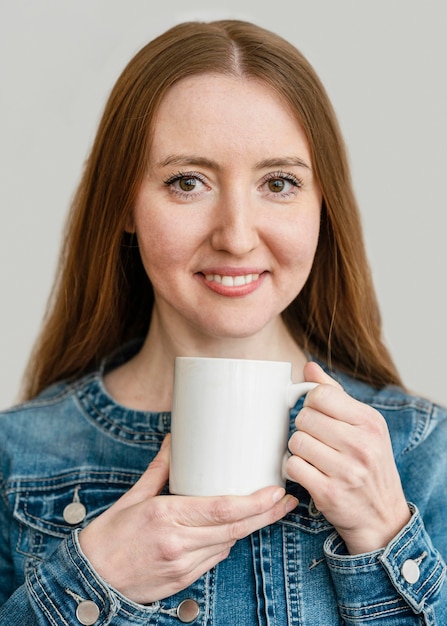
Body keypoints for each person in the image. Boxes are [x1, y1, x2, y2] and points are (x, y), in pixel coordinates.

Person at [0, 18, 445, 625]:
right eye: (188, 182)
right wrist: (91, 581)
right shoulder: (18, 457)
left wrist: (388, 540)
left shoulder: (422, 453)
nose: (236, 236)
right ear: (124, 203)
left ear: (323, 205)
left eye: (279, 182)